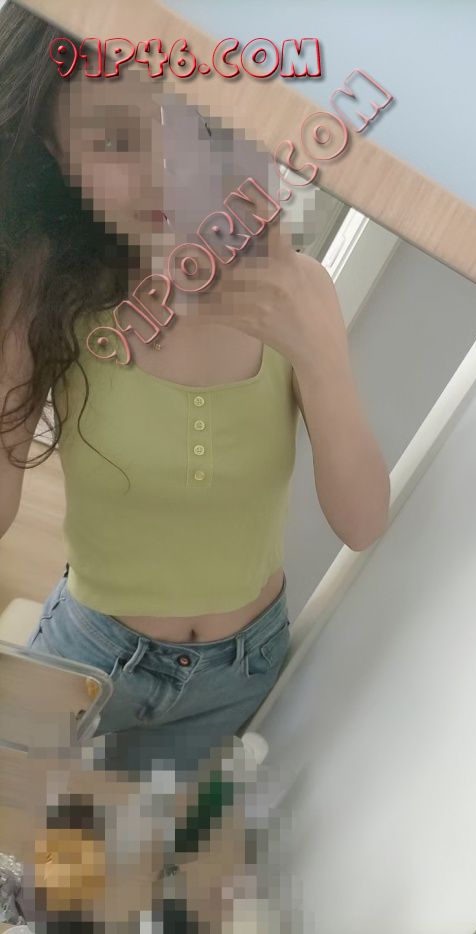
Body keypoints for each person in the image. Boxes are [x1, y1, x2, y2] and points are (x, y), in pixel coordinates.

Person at [0, 1, 390, 783]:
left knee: (133, 845)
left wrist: (321, 357)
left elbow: (362, 523)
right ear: (56, 151)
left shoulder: (300, 291)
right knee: (19, 831)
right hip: (89, 655)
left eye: (201, 127)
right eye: (115, 140)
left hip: (241, 672)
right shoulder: (48, 297)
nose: (166, 170)